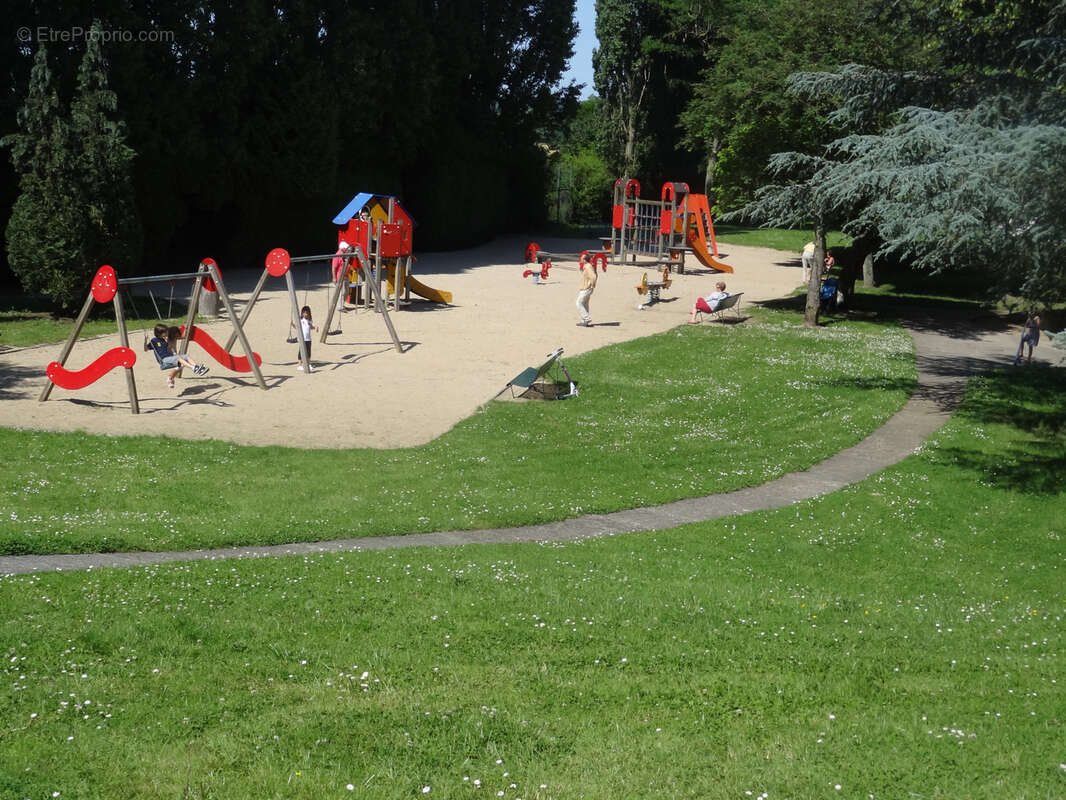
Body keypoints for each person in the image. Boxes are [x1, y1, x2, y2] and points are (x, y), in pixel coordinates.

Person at [144, 324, 208, 388]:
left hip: (170, 358)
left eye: (167, 332)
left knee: (185, 357)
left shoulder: (165, 339)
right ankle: (193, 368)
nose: (167, 334)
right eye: (165, 333)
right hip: (164, 360)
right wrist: (145, 339)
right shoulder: (154, 341)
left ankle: (196, 367)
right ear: (159, 333)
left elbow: (182, 337)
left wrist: (185, 329)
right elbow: (146, 349)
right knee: (179, 358)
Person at [292, 305, 318, 371]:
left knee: (308, 352)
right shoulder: (300, 320)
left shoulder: (309, 321)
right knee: (301, 351)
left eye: (307, 313)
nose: (306, 314)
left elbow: (311, 327)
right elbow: (297, 327)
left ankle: (309, 364)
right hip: (302, 338)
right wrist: (292, 325)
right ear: (302, 313)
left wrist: (315, 328)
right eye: (304, 313)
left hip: (308, 339)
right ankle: (300, 365)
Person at [576, 252, 597, 327]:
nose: (580, 259)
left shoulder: (588, 267)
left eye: (582, 258)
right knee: (585, 304)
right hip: (585, 288)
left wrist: (592, 285)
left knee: (579, 303)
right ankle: (584, 321)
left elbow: (593, 277)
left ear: (585, 260)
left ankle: (586, 318)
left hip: (586, 288)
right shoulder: (586, 266)